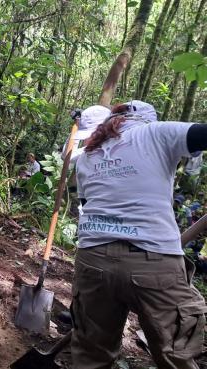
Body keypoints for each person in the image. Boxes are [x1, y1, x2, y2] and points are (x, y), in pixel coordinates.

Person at [72, 100, 207, 369]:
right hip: (153, 260)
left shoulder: (88, 154)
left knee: (91, 356)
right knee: (175, 356)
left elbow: (87, 206)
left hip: (92, 259)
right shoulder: (156, 132)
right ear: (148, 118)